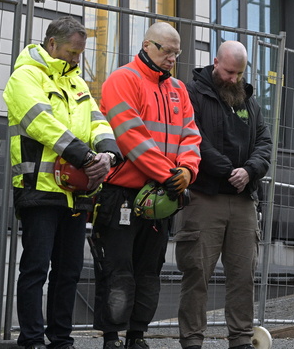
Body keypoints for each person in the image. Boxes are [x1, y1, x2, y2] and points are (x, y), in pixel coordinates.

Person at [4, 16, 121, 349]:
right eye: (72, 52)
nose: (76, 59)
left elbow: (98, 122)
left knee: (68, 270)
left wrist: (108, 155)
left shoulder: (77, 84)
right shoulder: (25, 76)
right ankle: (31, 339)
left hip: (75, 191)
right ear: (52, 44)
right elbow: (41, 123)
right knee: (36, 269)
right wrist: (87, 158)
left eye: (80, 53)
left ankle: (60, 339)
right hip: (39, 189)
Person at [95, 21, 201, 349]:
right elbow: (130, 136)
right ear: (147, 45)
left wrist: (187, 170)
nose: (172, 58)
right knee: (118, 269)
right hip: (125, 194)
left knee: (149, 271)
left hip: (161, 194)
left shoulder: (178, 90)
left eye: (176, 53)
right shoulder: (122, 80)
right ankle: (112, 336)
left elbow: (191, 136)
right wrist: (170, 175)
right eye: (167, 51)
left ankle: (136, 335)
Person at [177, 41, 272, 349]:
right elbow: (193, 138)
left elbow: (264, 142)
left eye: (240, 73)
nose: (234, 79)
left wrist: (250, 170)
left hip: (243, 199)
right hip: (204, 196)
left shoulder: (249, 100)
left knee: (244, 274)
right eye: (230, 71)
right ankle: (192, 340)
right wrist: (230, 170)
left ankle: (241, 340)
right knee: (197, 272)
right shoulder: (193, 94)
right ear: (215, 62)